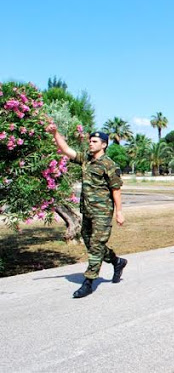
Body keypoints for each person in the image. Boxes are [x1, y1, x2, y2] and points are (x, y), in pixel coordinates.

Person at [46, 125, 126, 299]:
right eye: (90, 140)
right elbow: (66, 150)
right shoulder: (86, 159)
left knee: (96, 246)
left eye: (94, 141)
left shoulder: (110, 165)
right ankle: (117, 261)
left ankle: (88, 282)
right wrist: (55, 133)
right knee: (91, 244)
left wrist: (119, 211)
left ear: (104, 144)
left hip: (102, 213)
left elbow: (116, 190)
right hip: (87, 211)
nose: (90, 143)